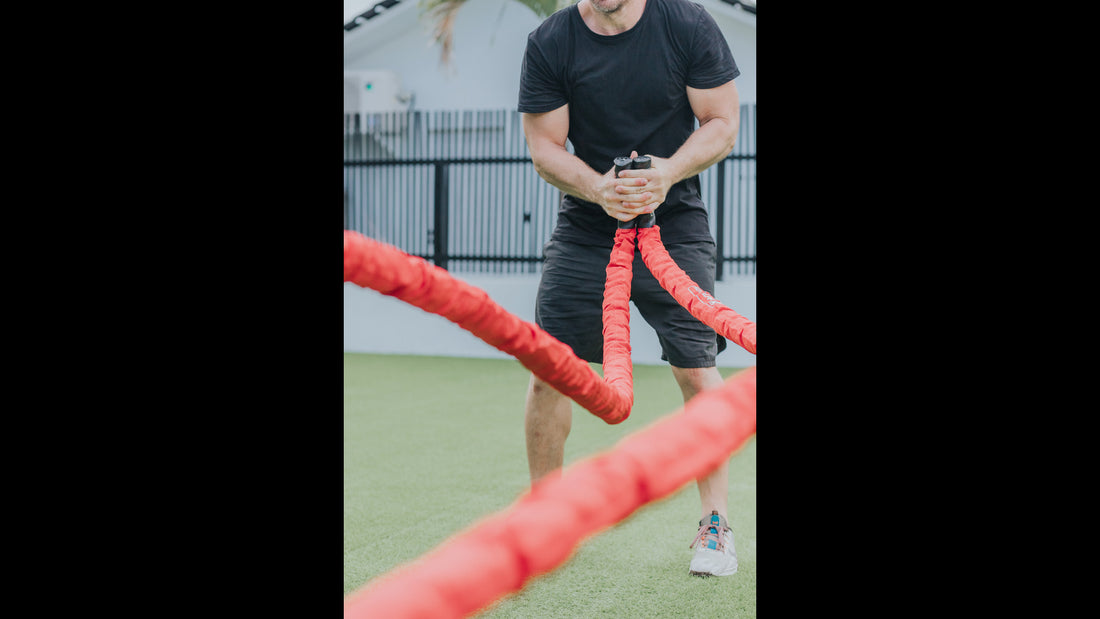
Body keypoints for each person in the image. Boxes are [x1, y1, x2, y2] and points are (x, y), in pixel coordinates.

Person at [517, 0, 742, 577]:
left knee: (697, 371)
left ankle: (715, 525)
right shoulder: (552, 41)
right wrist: (600, 188)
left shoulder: (686, 24)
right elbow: (544, 147)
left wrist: (665, 172)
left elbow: (722, 122)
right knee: (550, 371)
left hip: (676, 218)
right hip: (587, 227)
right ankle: (546, 520)